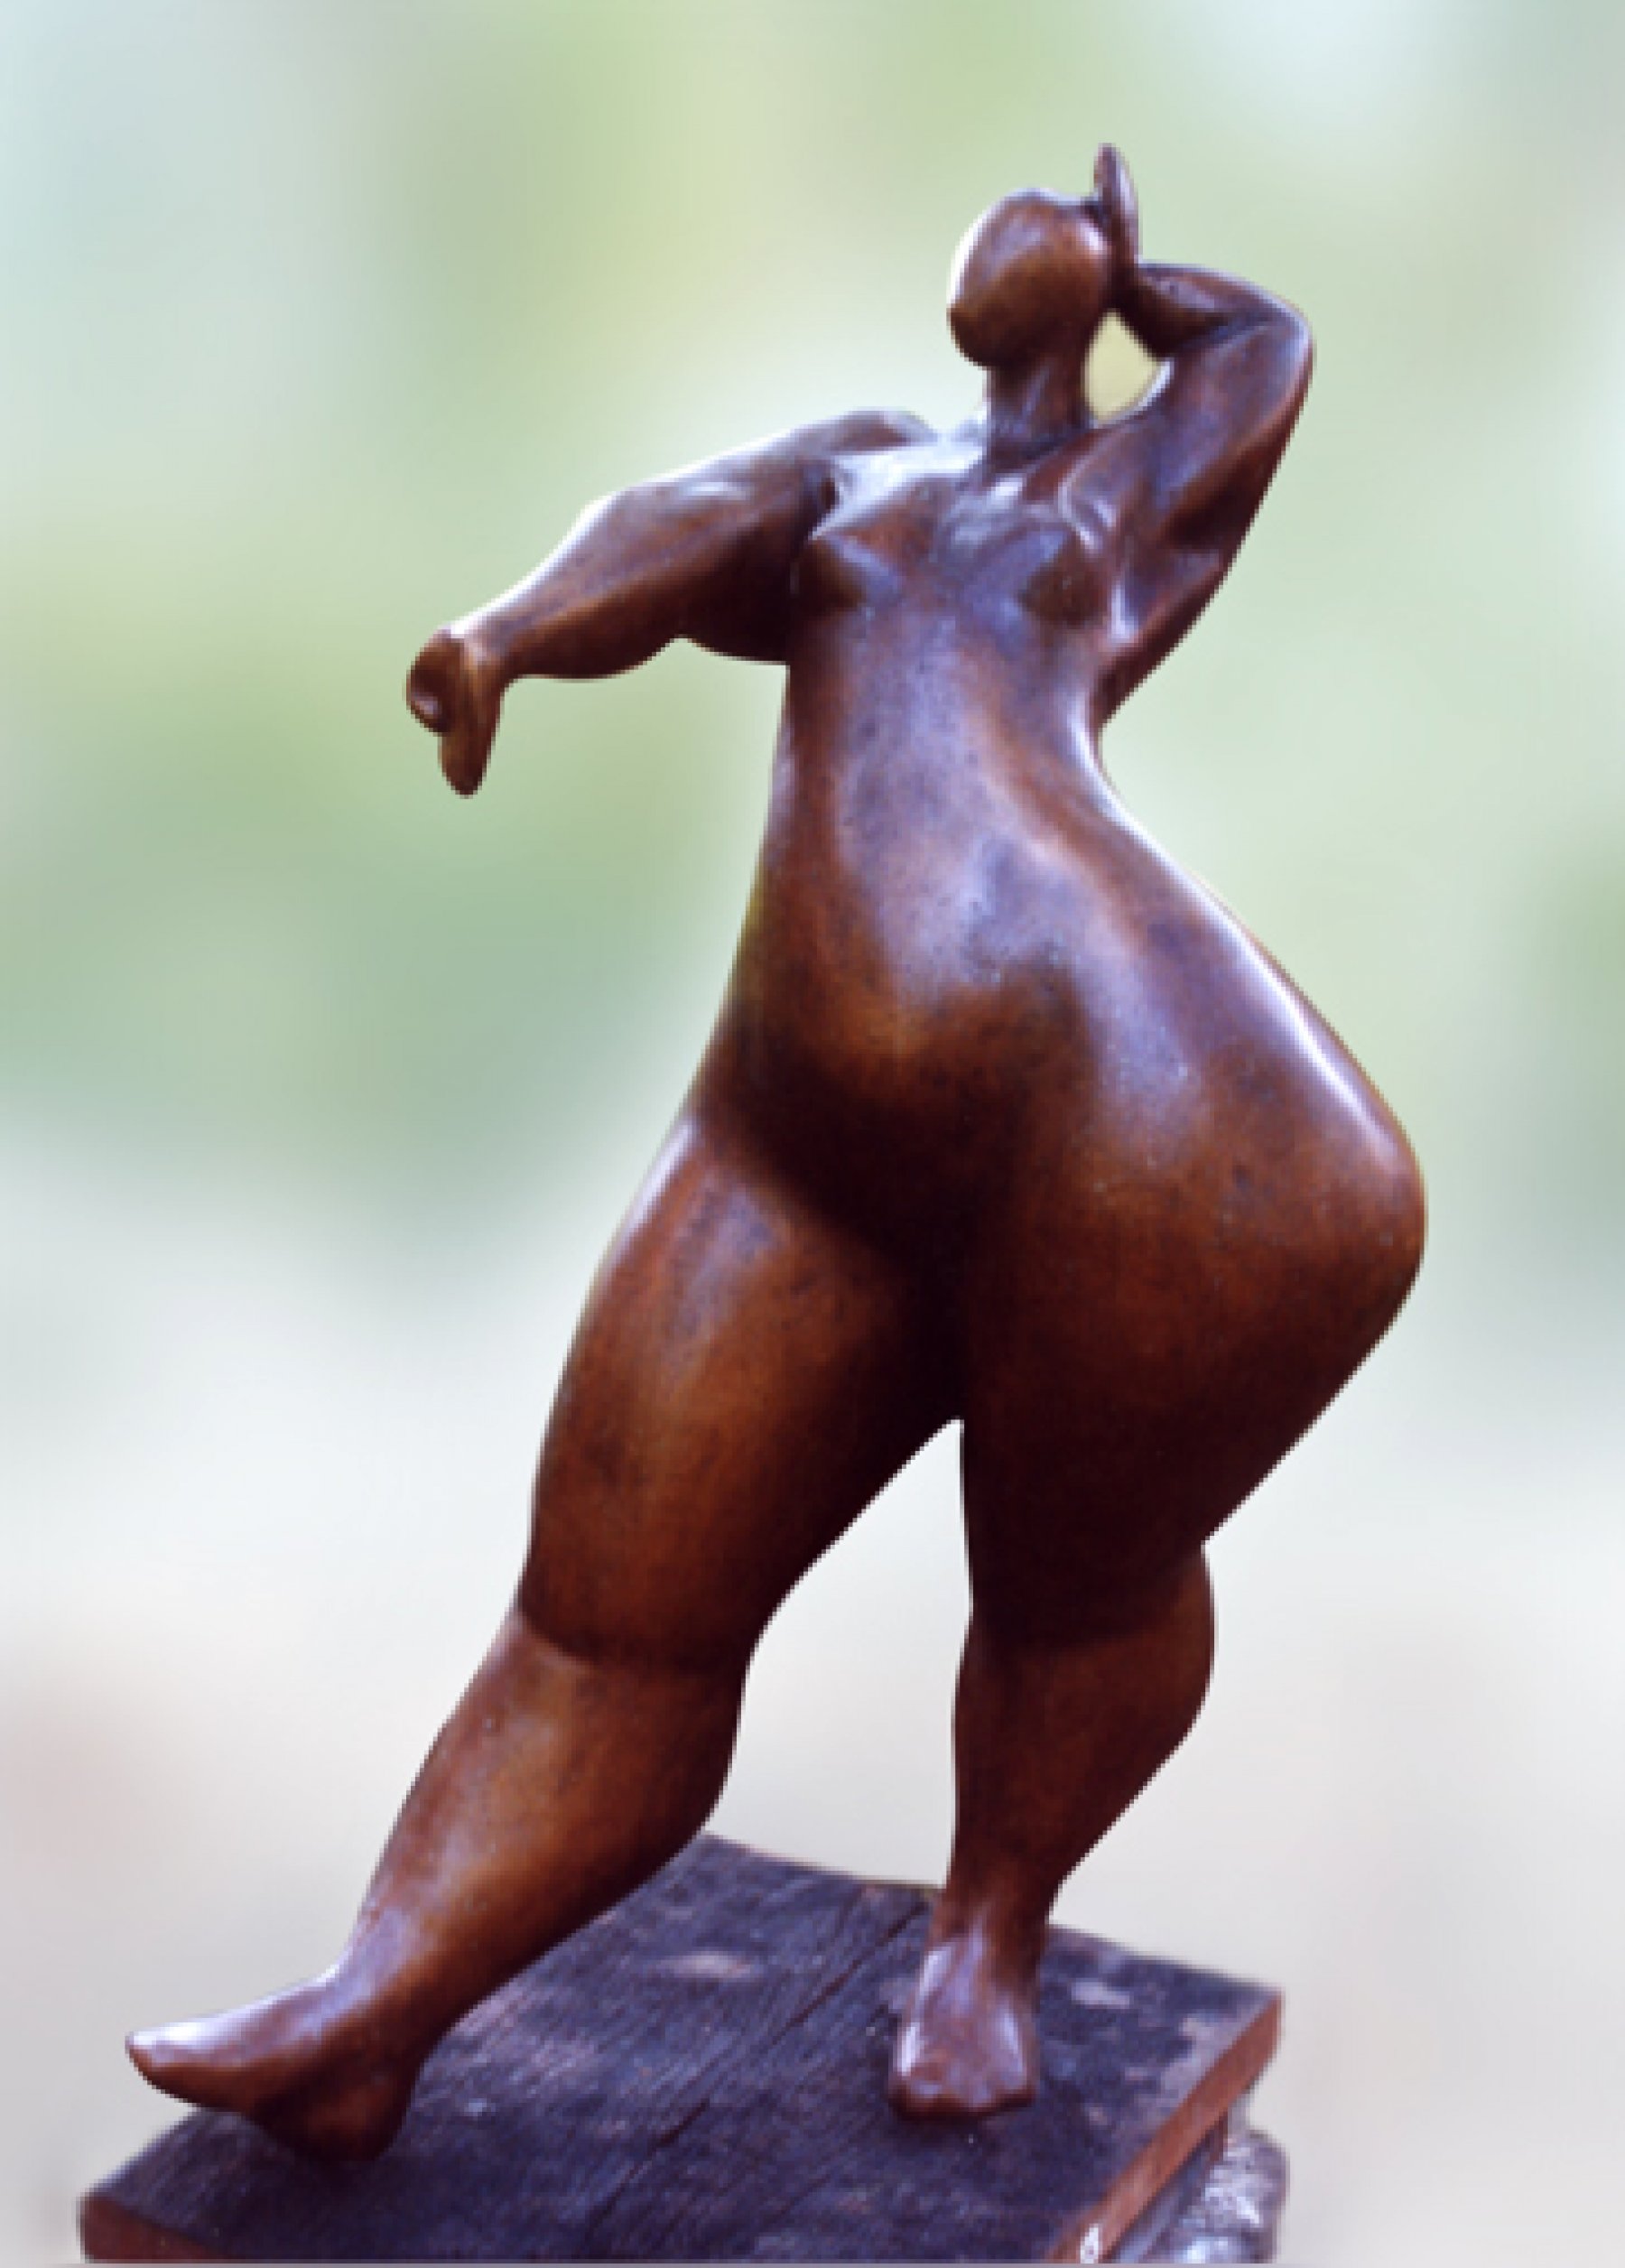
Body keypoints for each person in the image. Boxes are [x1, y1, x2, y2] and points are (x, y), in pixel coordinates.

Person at [129, 146, 1423, 2157]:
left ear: (1089, 277)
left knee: (1074, 1579)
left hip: (1118, 1108)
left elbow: (1267, 348)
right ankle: (376, 2008)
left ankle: (988, 1936)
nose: (1006, 221)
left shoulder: (1121, 500)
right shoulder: (857, 468)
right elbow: (674, 524)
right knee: (604, 1611)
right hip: (799, 1127)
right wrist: (506, 633)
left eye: (1052, 217)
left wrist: (1141, 261)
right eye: (999, 211)